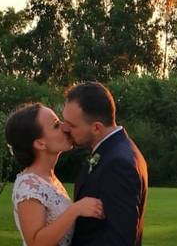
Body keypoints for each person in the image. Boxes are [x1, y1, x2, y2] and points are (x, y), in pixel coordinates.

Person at [6, 102, 105, 246]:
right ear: (40, 144)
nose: (65, 127)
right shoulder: (29, 186)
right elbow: (35, 242)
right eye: (56, 125)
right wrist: (75, 210)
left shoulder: (48, 178)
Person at [62, 82, 148, 246]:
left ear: (96, 128)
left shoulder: (119, 163)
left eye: (72, 125)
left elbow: (120, 239)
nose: (64, 128)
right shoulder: (113, 150)